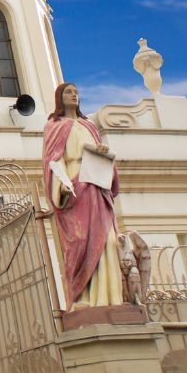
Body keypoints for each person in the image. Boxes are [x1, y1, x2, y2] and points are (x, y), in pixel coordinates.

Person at [42, 81, 124, 308]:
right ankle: (84, 297)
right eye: (69, 92)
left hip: (96, 182)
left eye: (76, 92)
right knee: (80, 240)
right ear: (60, 97)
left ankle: (110, 298)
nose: (74, 95)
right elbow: (53, 160)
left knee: (107, 240)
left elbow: (100, 150)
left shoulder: (89, 125)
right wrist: (61, 185)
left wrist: (103, 152)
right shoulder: (54, 126)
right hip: (75, 184)